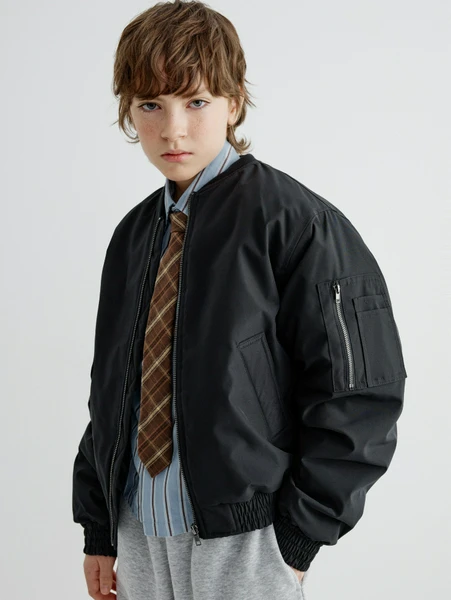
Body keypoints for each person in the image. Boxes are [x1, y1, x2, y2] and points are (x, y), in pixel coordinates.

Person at [72, 1, 408, 599]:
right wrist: (99, 527)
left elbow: (361, 390)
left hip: (246, 538)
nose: (173, 129)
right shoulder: (132, 236)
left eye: (196, 102)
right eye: (150, 105)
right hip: (139, 530)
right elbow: (112, 391)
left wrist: (299, 537)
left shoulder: (297, 223)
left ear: (233, 102)